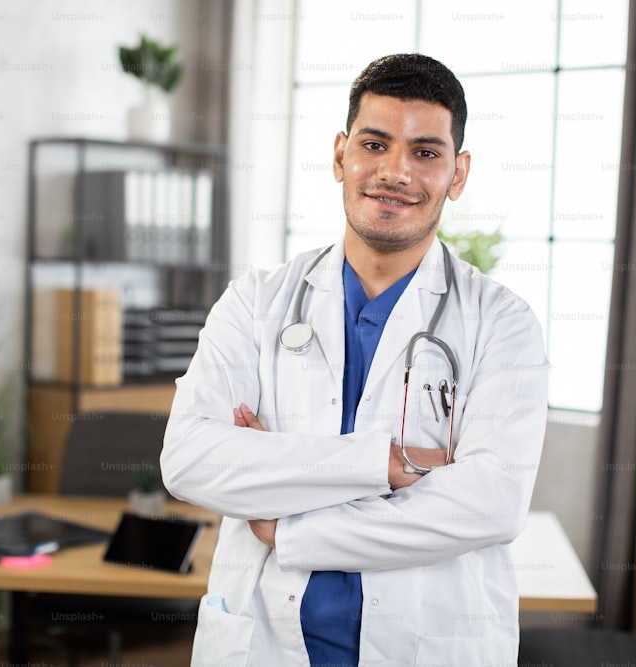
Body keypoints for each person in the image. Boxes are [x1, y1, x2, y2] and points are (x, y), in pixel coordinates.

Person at [162, 53, 548, 667]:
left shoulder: (502, 323)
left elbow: (491, 504)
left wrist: (291, 527)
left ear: (458, 172)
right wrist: (382, 463)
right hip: (262, 642)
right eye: (375, 143)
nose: (396, 172)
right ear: (341, 154)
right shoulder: (256, 301)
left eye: (425, 152)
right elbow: (188, 460)